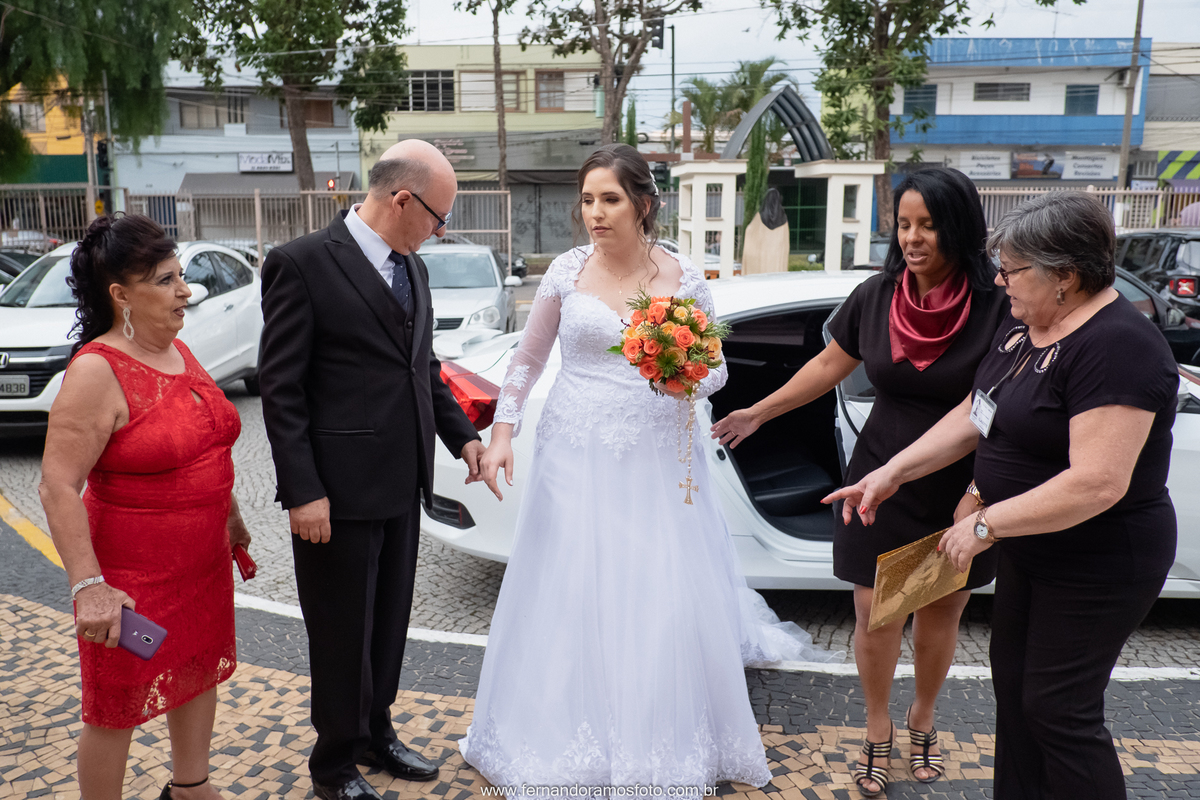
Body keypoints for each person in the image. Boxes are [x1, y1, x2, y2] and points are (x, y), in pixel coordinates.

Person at [459, 143, 837, 796]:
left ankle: (657, 737)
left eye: (609, 199)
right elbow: (525, 360)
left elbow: (715, 369)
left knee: (652, 586)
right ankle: (561, 730)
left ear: (643, 204)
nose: (595, 213)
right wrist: (502, 433)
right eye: (587, 200)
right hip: (574, 446)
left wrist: (681, 370)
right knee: (569, 585)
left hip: (656, 452)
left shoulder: (682, 277)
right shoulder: (565, 274)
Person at [830, 191, 1178, 800]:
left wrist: (985, 525)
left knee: (1058, 711)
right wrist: (893, 472)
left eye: (1013, 269)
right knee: (1016, 698)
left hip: (1096, 561)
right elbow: (976, 415)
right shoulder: (1028, 331)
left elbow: (1098, 481)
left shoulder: (1117, 343)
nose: (999, 280)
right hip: (1034, 550)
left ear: (1065, 274)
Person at [711, 167, 1009, 796]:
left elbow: (997, 407)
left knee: (937, 614)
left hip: (962, 481)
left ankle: (923, 716)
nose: (912, 238)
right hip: (879, 476)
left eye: (927, 225)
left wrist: (979, 496)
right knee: (875, 616)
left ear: (958, 227)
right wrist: (757, 411)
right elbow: (827, 364)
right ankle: (878, 728)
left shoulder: (997, 308)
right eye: (903, 224)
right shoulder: (878, 295)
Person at [258, 139, 486, 800]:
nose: (441, 232)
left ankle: (376, 732)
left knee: (387, 624)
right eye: (440, 218)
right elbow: (283, 389)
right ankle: (333, 764)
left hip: (399, 480)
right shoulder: (300, 265)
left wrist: (461, 437)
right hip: (335, 494)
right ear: (402, 200)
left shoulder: (411, 268)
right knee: (340, 634)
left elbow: (424, 369)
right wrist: (303, 490)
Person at [38, 214, 250, 800]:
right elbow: (57, 485)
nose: (187, 290)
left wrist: (229, 513)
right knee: (117, 701)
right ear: (120, 295)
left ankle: (191, 787)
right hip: (132, 582)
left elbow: (203, 439)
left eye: (181, 276)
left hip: (201, 565)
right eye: (166, 280)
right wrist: (90, 587)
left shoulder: (178, 349)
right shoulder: (95, 372)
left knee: (196, 665)